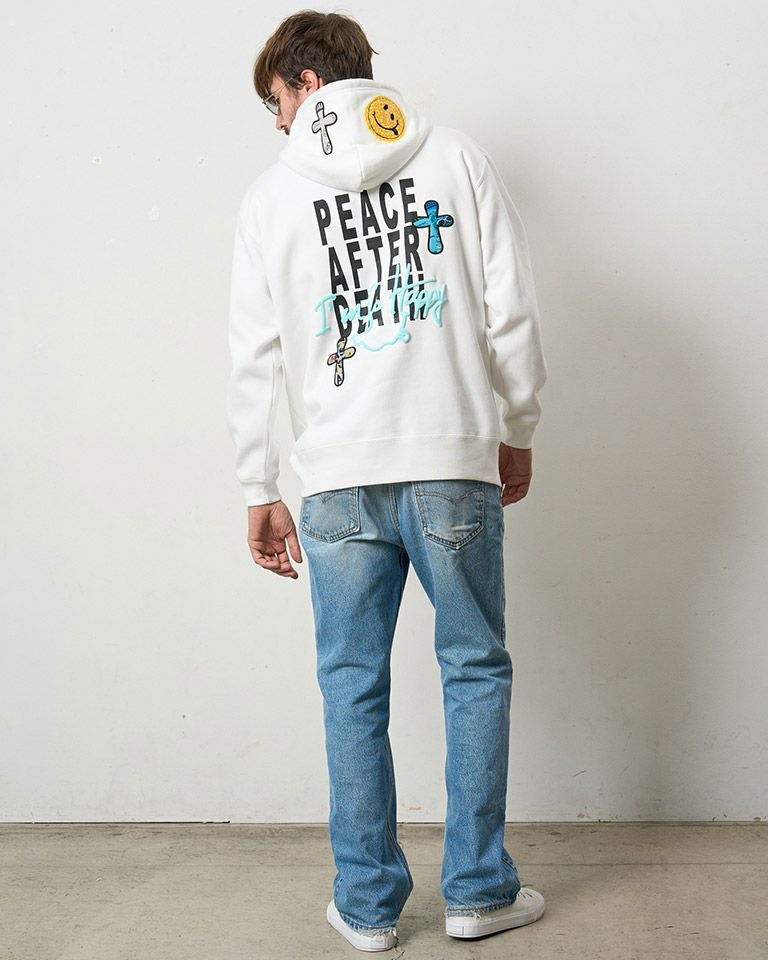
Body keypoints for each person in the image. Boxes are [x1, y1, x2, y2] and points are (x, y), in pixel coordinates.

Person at [226, 9, 548, 952]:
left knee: (351, 685)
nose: (278, 124)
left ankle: (367, 907)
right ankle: (478, 893)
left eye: (276, 101)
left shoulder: (271, 198)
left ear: (309, 82)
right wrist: (517, 429)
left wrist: (258, 483)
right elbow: (512, 311)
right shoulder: (455, 159)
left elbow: (253, 356)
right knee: (474, 670)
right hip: (450, 461)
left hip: (336, 478)